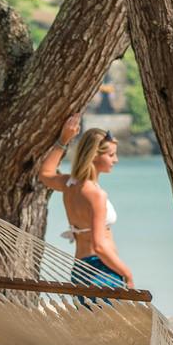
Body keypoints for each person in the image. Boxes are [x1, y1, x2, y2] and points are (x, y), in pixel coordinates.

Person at [37, 113, 135, 289]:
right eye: (111, 155)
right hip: (101, 271)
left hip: (80, 270)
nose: (116, 160)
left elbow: (45, 174)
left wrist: (63, 140)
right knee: (108, 317)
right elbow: (99, 246)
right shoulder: (96, 195)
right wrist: (127, 274)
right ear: (95, 156)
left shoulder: (69, 184)